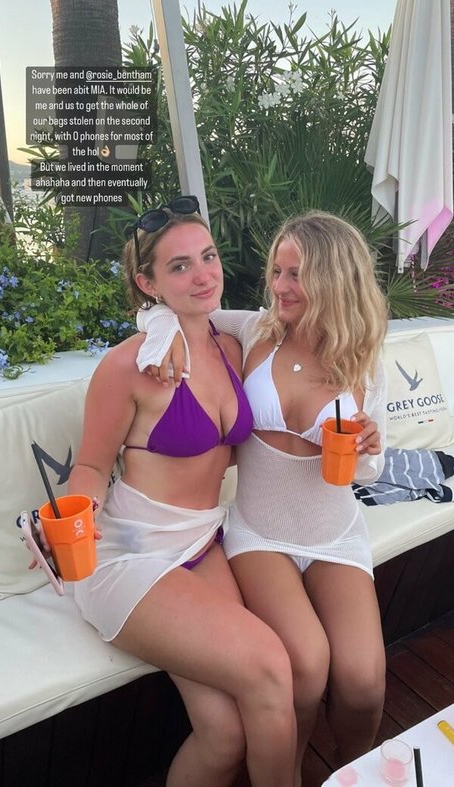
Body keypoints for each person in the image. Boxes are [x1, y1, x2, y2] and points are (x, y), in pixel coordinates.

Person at [137, 209, 389, 778]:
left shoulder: (367, 355)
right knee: (306, 666)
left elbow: (370, 472)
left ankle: (352, 772)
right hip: (259, 533)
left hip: (334, 533)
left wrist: (368, 448)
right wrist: (160, 329)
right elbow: (175, 305)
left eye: (295, 274)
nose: (278, 286)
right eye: (277, 271)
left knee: (364, 683)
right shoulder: (256, 330)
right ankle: (288, 773)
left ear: (334, 277)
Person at [62, 198, 298, 787]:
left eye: (208, 257)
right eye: (179, 266)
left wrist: (162, 320)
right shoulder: (127, 368)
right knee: (272, 667)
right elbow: (90, 466)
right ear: (148, 283)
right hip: (131, 553)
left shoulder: (233, 345)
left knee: (225, 735)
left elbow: (298, 319)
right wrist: (73, 516)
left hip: (201, 542)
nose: (203, 275)